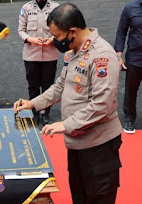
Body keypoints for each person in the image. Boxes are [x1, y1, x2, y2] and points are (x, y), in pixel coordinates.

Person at [14, 3, 122, 204]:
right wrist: (33, 103)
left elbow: (102, 104)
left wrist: (66, 124)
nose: (55, 41)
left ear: (72, 31)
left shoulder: (102, 56)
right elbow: (61, 86)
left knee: (99, 197)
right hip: (77, 142)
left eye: (58, 37)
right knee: (79, 195)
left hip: (98, 146)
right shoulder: (74, 50)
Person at [18, 0, 59, 125]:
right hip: (31, 54)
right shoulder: (26, 8)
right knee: (33, 85)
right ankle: (34, 112)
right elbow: (21, 30)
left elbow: (62, 29)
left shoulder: (56, 8)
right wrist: (30, 39)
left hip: (50, 54)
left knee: (48, 86)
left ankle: (46, 113)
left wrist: (52, 40)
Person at [114, 0, 142, 134]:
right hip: (135, 58)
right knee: (131, 90)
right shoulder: (130, 8)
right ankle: (129, 118)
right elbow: (121, 32)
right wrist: (118, 56)